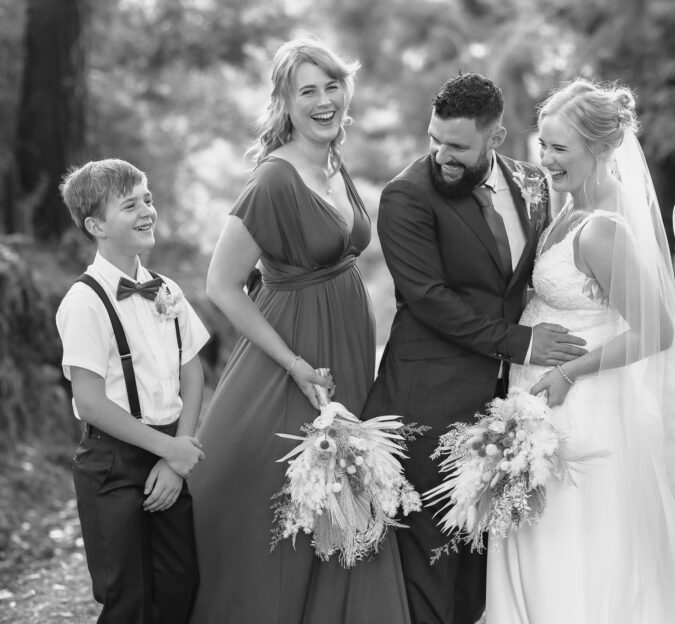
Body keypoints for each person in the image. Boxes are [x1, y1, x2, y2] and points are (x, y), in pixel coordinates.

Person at [188, 35, 410, 623]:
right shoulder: (274, 181)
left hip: (347, 349)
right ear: (283, 104)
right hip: (294, 354)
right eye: (306, 90)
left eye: (331, 85)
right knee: (277, 494)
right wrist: (292, 363)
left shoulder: (334, 163)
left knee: (341, 493)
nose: (323, 101)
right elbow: (220, 283)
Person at [361, 72, 587, 624]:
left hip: (504, 404)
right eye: (434, 139)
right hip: (428, 402)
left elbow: (531, 277)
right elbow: (430, 299)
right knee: (430, 564)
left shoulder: (534, 185)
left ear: (497, 138)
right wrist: (524, 343)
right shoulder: (405, 196)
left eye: (458, 145)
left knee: (481, 569)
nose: (442, 155)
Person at [483, 79, 675, 623]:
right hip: (534, 402)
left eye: (561, 148)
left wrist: (569, 372)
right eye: (544, 144)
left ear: (602, 149)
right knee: (533, 540)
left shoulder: (604, 228)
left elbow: (657, 331)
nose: (547, 159)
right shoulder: (564, 208)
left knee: (571, 548)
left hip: (582, 408)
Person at [55, 158, 210, 624]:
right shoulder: (84, 301)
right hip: (114, 463)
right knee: (129, 597)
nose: (147, 210)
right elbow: (89, 401)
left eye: (148, 199)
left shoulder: (168, 291)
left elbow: (193, 373)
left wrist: (175, 457)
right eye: (130, 204)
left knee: (179, 583)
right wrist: (169, 449)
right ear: (96, 225)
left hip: (168, 450)